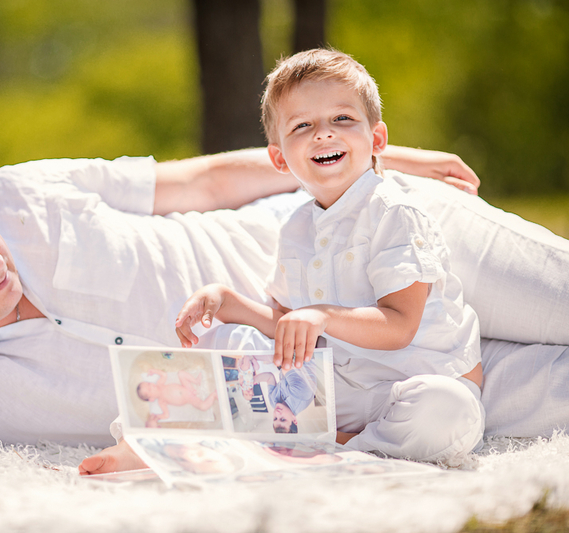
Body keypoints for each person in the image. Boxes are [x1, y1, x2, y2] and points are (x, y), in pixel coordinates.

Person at [0, 144, 478, 459]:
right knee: (492, 402)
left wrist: (372, 165)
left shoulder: (21, 195)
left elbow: (203, 182)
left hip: (344, 236)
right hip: (342, 383)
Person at [175, 49, 483, 464]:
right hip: (343, 388)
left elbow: (399, 326)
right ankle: (330, 439)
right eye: (302, 125)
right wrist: (229, 303)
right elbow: (293, 328)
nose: (323, 134)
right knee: (223, 341)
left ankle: (331, 444)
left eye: (342, 118)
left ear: (376, 140)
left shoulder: (393, 212)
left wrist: (322, 315)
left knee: (446, 409)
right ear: (280, 158)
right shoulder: (297, 228)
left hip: (414, 384)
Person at [136, 369, 218, 420]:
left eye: (148, 383)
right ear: (151, 399)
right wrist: (157, 416)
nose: (151, 385)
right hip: (190, 399)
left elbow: (164, 374)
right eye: (149, 389)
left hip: (187, 387)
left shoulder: (159, 383)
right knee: (203, 407)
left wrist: (154, 371)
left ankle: (196, 381)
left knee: (180, 373)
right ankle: (214, 395)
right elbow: (166, 415)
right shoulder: (161, 402)